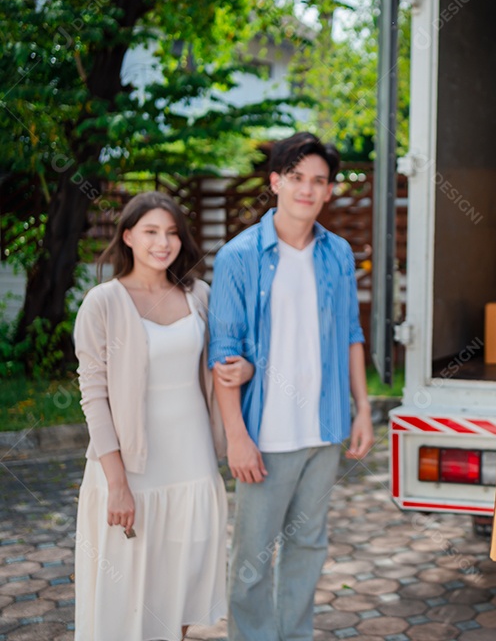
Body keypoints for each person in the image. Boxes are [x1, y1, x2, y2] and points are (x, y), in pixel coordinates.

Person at [208, 132, 375, 641]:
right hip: (264, 437)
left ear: (328, 191)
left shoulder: (338, 254)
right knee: (252, 565)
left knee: (307, 549)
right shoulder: (239, 257)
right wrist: (236, 436)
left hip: (323, 431)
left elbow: (350, 333)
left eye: (318, 181)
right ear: (276, 181)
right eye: (297, 177)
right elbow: (224, 356)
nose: (307, 189)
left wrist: (363, 410)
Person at [73, 191, 252, 640]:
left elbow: (225, 360)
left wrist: (244, 367)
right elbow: (93, 396)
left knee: (183, 583)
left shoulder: (199, 296)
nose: (163, 242)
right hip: (132, 471)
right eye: (151, 231)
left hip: (192, 465)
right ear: (128, 236)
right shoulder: (103, 302)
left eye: (171, 232)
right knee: (127, 593)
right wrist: (117, 484)